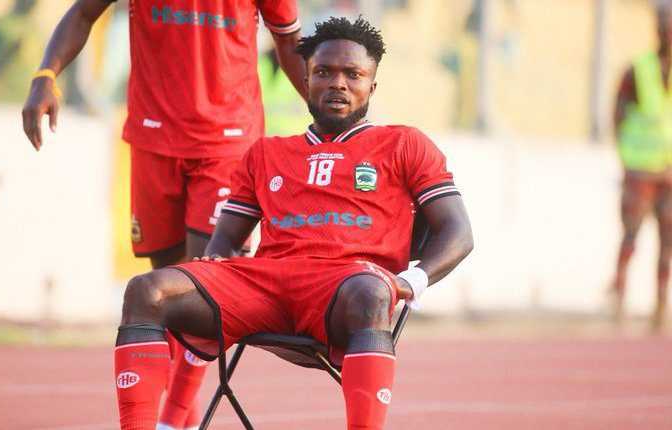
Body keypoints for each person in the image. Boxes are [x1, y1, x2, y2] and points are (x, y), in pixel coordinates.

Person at [113, 17, 474, 430]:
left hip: (343, 290)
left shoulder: (404, 143)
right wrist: (213, 275)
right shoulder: (265, 153)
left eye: (353, 74)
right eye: (324, 72)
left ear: (372, 86)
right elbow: (224, 242)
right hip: (264, 286)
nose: (338, 83)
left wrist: (412, 281)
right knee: (147, 291)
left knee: (373, 292)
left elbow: (458, 232)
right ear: (305, 79)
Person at [21, 1, 306, 429]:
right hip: (153, 138)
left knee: (205, 285)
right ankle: (182, 422)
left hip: (227, 143)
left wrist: (328, 117)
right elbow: (82, 14)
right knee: (163, 295)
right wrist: (45, 75)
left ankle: (170, 422)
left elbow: (289, 40)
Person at [613, 3, 672, 330]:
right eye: (665, 25)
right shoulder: (639, 70)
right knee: (631, 236)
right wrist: (626, 160)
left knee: (667, 243)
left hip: (669, 173)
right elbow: (618, 116)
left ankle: (660, 308)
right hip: (640, 171)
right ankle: (619, 300)